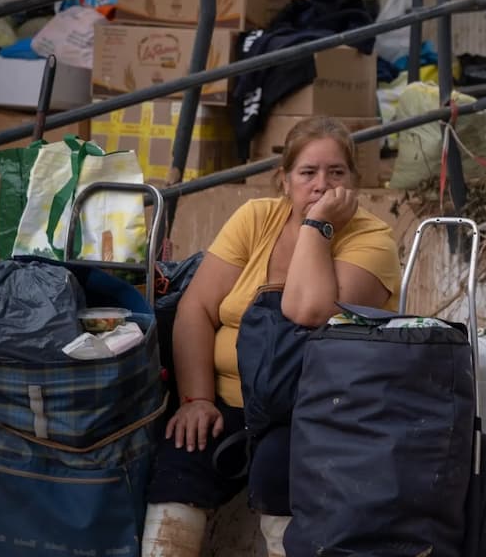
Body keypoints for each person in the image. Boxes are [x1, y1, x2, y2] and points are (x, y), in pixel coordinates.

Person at [141, 116, 402, 557]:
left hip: (314, 412)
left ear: (355, 181)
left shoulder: (373, 240)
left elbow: (309, 311)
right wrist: (197, 399)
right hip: (230, 402)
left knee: (277, 474)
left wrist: (317, 226)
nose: (321, 184)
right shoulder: (255, 217)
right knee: (178, 469)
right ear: (284, 180)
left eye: (336, 173)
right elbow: (195, 309)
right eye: (308, 173)